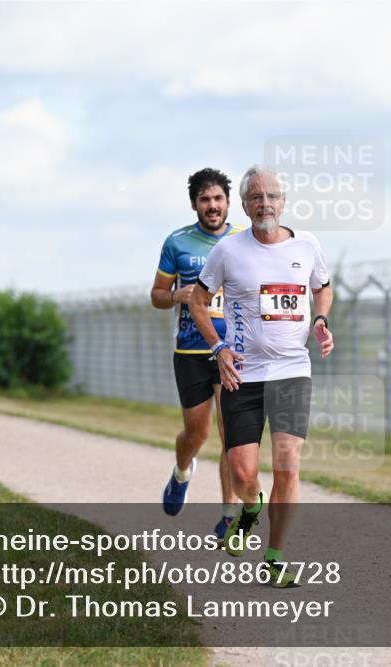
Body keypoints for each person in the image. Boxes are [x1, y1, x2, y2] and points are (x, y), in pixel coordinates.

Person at [189, 165, 334, 587]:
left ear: (283, 202)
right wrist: (218, 349)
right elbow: (198, 301)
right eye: (255, 197)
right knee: (242, 474)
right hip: (243, 374)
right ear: (245, 205)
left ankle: (275, 557)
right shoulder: (229, 250)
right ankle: (251, 507)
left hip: (292, 371)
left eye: (271, 196)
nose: (264, 204)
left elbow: (322, 286)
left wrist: (320, 319)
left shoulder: (307, 245)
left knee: (288, 465)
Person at [152, 168, 241, 540]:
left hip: (232, 353)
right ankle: (182, 472)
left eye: (218, 198)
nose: (212, 205)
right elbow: (157, 295)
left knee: (231, 433)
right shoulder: (177, 242)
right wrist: (176, 295)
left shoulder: (244, 241)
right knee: (196, 434)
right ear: (194, 205)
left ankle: (228, 516)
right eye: (205, 199)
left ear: (228, 202)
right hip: (190, 351)